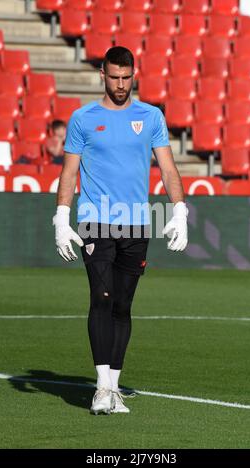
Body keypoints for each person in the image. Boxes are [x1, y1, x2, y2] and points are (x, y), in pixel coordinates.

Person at [52, 47, 188, 415]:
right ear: (102, 74)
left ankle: (113, 387)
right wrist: (62, 218)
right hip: (96, 221)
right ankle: (100, 388)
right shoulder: (83, 119)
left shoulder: (151, 116)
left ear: (134, 75)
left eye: (127, 78)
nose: (121, 85)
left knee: (124, 305)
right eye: (114, 77)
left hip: (136, 223)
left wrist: (179, 211)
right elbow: (69, 172)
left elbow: (168, 166)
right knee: (102, 296)